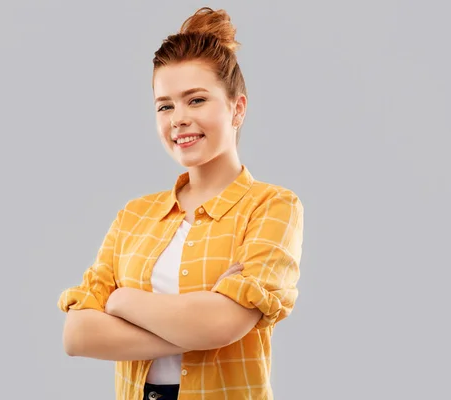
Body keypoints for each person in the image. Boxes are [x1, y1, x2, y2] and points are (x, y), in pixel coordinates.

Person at [57, 6, 304, 400]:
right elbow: (78, 334)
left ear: (237, 108)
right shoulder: (134, 216)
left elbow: (220, 326)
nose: (178, 118)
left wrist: (122, 302)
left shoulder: (272, 206)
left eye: (196, 100)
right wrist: (196, 327)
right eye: (165, 105)